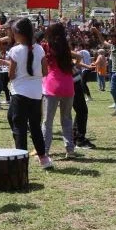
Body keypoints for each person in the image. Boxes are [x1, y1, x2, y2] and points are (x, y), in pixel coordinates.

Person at [5, 18, 53, 169]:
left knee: (19, 127)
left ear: (18, 34)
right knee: (35, 127)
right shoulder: (39, 49)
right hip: (36, 93)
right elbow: (45, 71)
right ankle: (43, 158)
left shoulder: (15, 50)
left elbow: (11, 75)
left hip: (19, 93)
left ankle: (21, 160)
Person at [41, 23, 78, 158]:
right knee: (67, 119)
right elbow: (77, 58)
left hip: (52, 86)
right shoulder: (66, 48)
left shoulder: (46, 47)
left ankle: (44, 150)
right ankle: (70, 149)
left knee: (47, 121)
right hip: (68, 86)